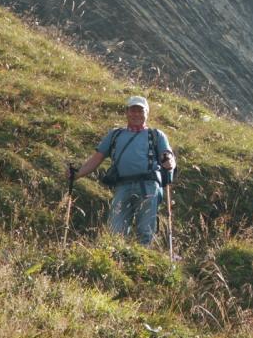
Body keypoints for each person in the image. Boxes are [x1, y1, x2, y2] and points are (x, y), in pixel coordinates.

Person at [69, 96, 176, 245]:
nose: (136, 114)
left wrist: (169, 162)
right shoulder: (115, 135)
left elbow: (167, 155)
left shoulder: (156, 135)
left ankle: (142, 257)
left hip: (148, 186)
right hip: (122, 186)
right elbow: (96, 159)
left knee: (145, 230)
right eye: (133, 110)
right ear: (126, 112)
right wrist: (77, 174)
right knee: (115, 230)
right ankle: (117, 257)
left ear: (147, 113)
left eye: (140, 111)